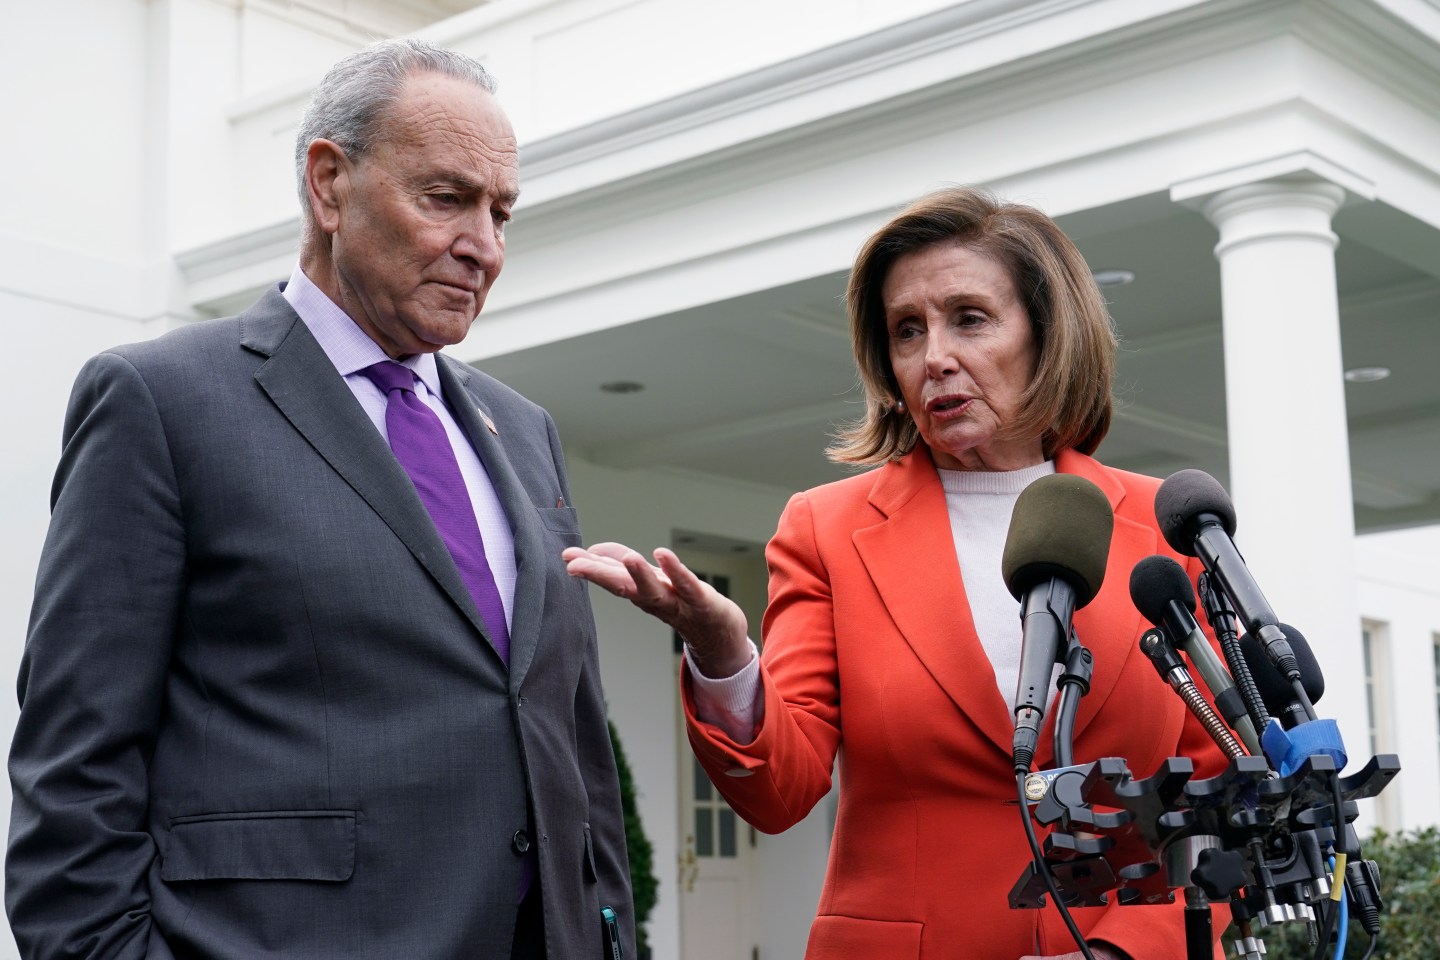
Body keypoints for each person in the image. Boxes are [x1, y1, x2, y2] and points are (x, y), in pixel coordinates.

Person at [7, 38, 632, 960]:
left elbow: (569, 739)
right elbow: (75, 772)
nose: (484, 247)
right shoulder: (162, 401)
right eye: (447, 198)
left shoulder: (524, 429)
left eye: (502, 212)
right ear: (330, 183)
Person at [565, 186, 1228, 959]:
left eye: (969, 318)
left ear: (1049, 335)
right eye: (906, 331)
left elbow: (1214, 794)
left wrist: (1117, 952)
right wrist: (723, 657)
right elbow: (782, 791)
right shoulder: (827, 529)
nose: (934, 356)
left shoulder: (1166, 527)